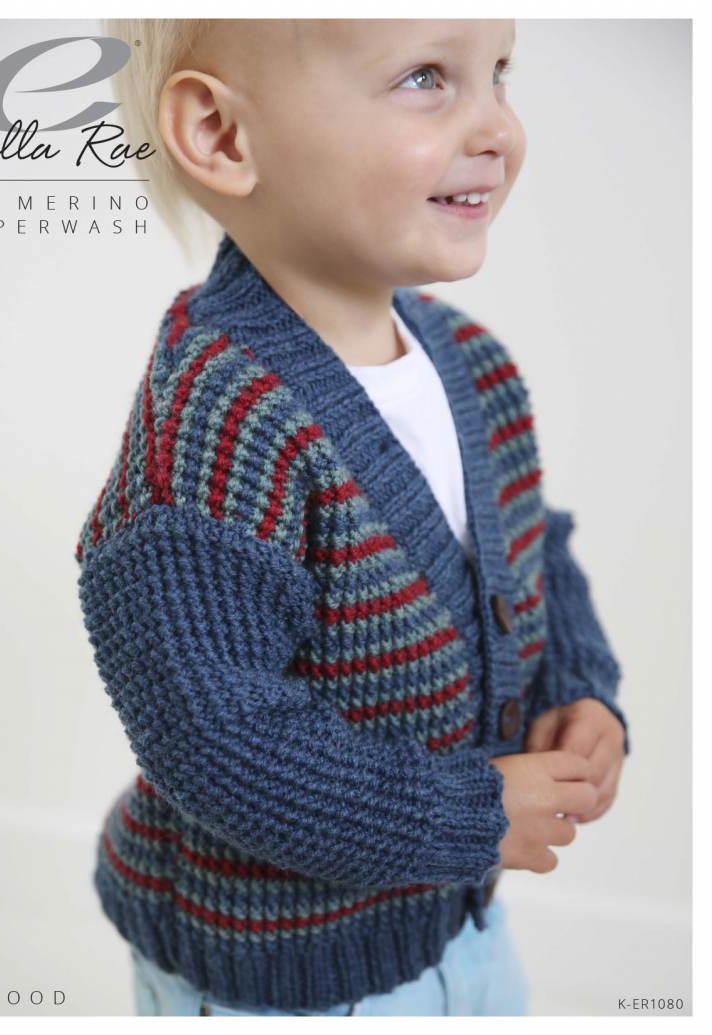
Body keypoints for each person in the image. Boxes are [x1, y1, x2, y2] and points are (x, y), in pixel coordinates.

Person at [75, 18, 631, 1017]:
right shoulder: (216, 425)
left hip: (454, 921)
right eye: (425, 78)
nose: (497, 128)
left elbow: (529, 549)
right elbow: (219, 741)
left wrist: (578, 686)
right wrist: (471, 814)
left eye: (497, 74)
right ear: (222, 135)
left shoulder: (473, 365)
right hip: (276, 974)